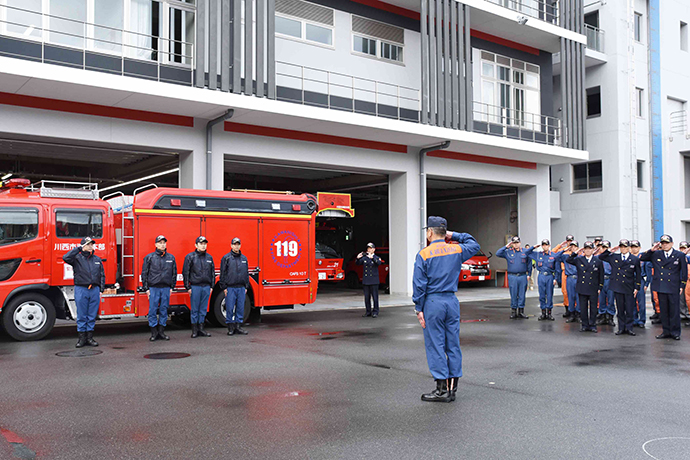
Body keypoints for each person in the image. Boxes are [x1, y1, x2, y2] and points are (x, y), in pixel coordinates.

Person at [413, 216, 480, 403]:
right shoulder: (456, 249)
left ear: (430, 232)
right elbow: (474, 244)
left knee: (435, 344)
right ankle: (452, 389)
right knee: (453, 344)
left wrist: (419, 308)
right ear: (445, 232)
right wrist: (454, 234)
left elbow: (419, 284)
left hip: (433, 302)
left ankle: (441, 389)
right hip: (451, 301)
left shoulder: (424, 254)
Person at [639, 235, 688, 340]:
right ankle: (666, 331)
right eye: (663, 243)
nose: (665, 245)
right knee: (664, 311)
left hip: (673, 286)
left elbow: (684, 271)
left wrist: (682, 285)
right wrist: (651, 250)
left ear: (672, 244)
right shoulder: (656, 254)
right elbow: (642, 257)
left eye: (667, 243)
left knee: (674, 311)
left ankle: (675, 332)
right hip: (661, 286)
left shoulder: (679, 255)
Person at [63, 237, 105, 348]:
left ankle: (90, 337)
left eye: (92, 244)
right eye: (89, 244)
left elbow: (101, 275)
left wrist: (101, 289)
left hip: (94, 290)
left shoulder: (97, 259)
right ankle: (81, 338)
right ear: (83, 246)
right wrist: (79, 248)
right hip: (81, 289)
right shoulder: (77, 258)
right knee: (82, 314)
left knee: (92, 315)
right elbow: (65, 257)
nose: (91, 246)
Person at [598, 239, 642, 336]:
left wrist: (637, 287)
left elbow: (638, 274)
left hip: (629, 286)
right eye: (621, 247)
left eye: (625, 247)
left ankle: (629, 328)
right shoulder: (614, 257)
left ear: (629, 248)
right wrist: (610, 250)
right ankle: (621, 328)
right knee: (620, 309)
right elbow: (601, 257)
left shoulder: (634, 259)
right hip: (618, 286)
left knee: (629, 309)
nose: (623, 249)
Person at [141, 235, 177, 341]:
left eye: (164, 243)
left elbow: (174, 273)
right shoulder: (149, 257)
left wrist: (172, 287)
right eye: (160, 243)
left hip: (166, 288)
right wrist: (146, 289)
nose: (162, 245)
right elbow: (144, 274)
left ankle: (161, 332)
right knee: (152, 310)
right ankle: (153, 333)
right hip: (154, 288)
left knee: (164, 310)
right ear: (156, 244)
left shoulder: (171, 258)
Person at [567, 241, 604, 332]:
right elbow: (568, 260)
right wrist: (575, 252)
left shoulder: (598, 261)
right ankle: (584, 325)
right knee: (583, 308)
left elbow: (601, 275)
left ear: (593, 250)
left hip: (593, 287)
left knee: (593, 307)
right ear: (583, 250)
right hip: (582, 287)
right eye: (586, 249)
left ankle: (592, 325)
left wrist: (600, 287)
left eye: (589, 249)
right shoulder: (579, 259)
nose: (588, 251)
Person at [183, 236, 215, 338]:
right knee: (195, 309)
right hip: (195, 286)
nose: (203, 245)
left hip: (206, 287)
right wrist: (188, 287)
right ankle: (194, 330)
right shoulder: (190, 257)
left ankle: (201, 329)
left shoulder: (209, 258)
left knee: (203, 309)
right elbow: (186, 272)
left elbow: (212, 273)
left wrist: (212, 286)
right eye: (201, 243)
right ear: (196, 245)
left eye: (205, 244)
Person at [220, 237, 250, 336]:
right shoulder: (226, 258)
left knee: (240, 307)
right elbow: (223, 273)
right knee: (229, 307)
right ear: (231, 245)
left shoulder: (244, 258)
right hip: (230, 287)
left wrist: (246, 286)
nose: (236, 246)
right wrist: (224, 287)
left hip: (241, 287)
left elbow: (246, 273)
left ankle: (238, 327)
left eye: (238, 244)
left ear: (240, 245)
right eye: (235, 244)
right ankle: (230, 328)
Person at [496, 236, 532, 319]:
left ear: (520, 243)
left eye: (517, 243)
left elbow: (529, 263)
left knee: (522, 294)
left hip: (522, 276)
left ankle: (521, 311)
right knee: (513, 294)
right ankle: (513, 311)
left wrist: (529, 274)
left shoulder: (525, 251)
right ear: (512, 244)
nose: (516, 245)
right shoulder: (508, 252)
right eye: (514, 243)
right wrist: (506, 246)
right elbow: (498, 253)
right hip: (512, 276)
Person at [528, 239, 558, 321]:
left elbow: (557, 268)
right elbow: (527, 252)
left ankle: (549, 313)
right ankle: (543, 313)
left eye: (546, 245)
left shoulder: (553, 255)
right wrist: (533, 247)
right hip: (541, 275)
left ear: (549, 246)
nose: (545, 246)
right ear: (542, 246)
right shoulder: (538, 255)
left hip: (549, 276)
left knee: (549, 295)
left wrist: (555, 278)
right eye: (543, 245)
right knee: (542, 295)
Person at [356, 242, 384, 318]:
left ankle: (375, 311)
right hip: (366, 280)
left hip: (374, 281)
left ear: (374, 249)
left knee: (375, 297)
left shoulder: (376, 257)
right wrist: (358, 258)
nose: (369, 250)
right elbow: (358, 263)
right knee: (367, 297)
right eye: (368, 248)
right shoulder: (365, 258)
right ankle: (368, 311)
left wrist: (373, 257)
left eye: (370, 248)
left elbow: (379, 263)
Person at [556, 241, 580, 322]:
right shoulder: (565, 256)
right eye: (571, 246)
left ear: (577, 248)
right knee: (570, 296)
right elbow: (555, 256)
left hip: (578, 278)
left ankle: (578, 314)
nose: (573, 248)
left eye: (574, 246)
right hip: (569, 278)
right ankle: (571, 314)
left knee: (578, 297)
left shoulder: (580, 257)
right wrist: (563, 249)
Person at [594, 240, 616, 326]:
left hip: (611, 279)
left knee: (610, 300)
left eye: (606, 247)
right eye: (603, 247)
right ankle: (602, 316)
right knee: (601, 299)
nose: (604, 249)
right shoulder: (599, 257)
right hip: (602, 280)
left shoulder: (613, 257)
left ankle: (610, 317)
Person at [630, 240, 648, 328]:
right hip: (630, 281)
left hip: (640, 280)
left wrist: (647, 283)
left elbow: (647, 271)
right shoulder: (629, 257)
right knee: (632, 302)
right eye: (632, 247)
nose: (634, 249)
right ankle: (634, 319)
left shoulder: (642, 258)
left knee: (641, 303)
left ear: (639, 248)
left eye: (636, 247)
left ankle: (642, 320)